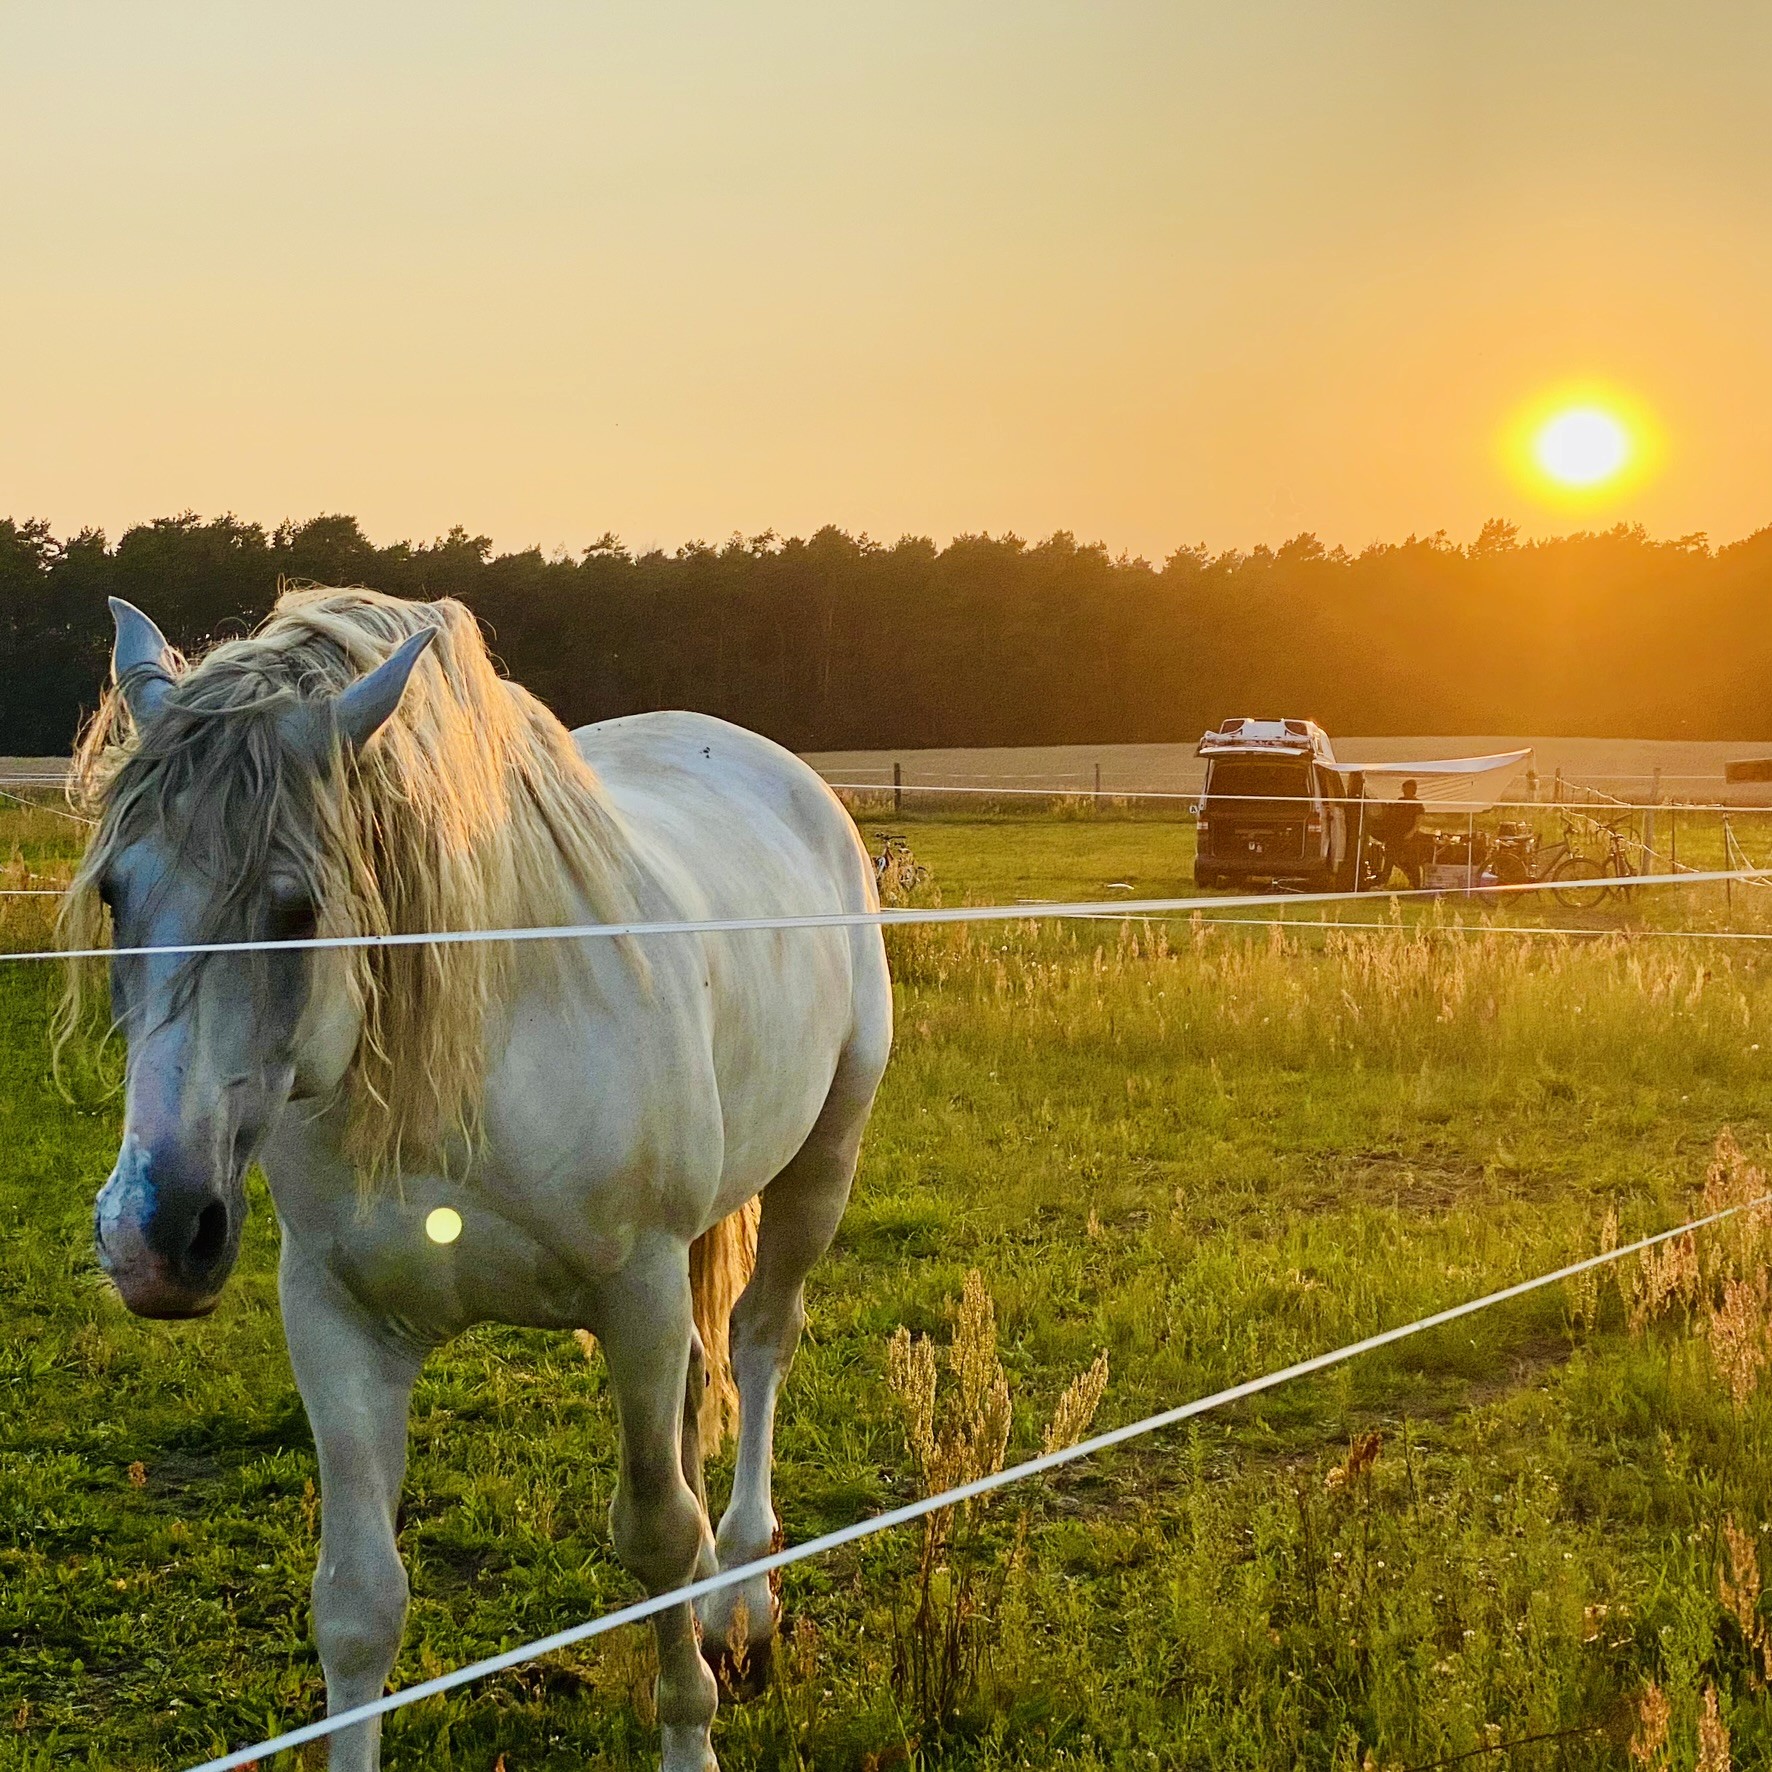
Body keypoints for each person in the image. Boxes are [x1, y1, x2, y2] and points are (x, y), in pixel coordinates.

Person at [1371, 779, 1428, 888]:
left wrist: (1411, 833)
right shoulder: (1399, 802)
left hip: (1410, 837)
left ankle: (1416, 885)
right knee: (1389, 859)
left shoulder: (1417, 805)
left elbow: (1419, 820)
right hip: (1395, 836)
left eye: (1410, 788)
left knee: (1412, 861)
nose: (1407, 790)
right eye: (1405, 788)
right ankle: (1383, 883)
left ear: (1414, 790)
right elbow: (1390, 817)